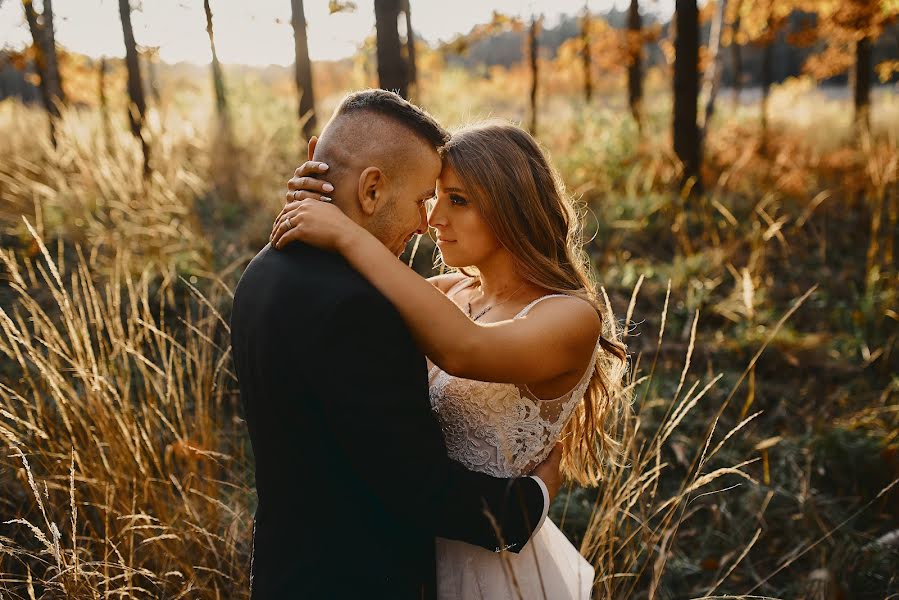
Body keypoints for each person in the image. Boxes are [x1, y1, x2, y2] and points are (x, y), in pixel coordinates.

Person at [271, 119, 629, 599]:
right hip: (410, 546)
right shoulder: (449, 292)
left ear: (512, 206)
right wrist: (325, 198)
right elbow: (349, 300)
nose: (434, 217)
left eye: (458, 200)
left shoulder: (570, 317)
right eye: (434, 197)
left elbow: (465, 350)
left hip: (489, 564)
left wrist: (344, 235)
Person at [231, 90, 561, 600]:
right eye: (421, 199)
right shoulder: (359, 312)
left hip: (284, 569)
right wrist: (530, 502)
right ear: (371, 190)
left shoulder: (265, 268)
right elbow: (419, 488)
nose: (426, 222)